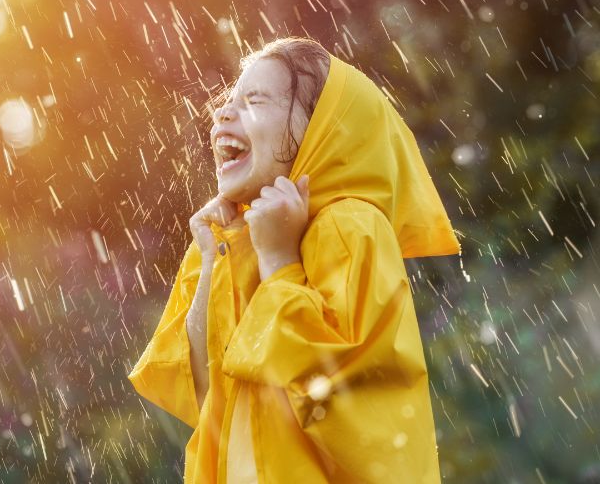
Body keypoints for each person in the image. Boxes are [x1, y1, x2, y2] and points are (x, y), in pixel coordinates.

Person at [127, 36, 461, 483]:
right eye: (230, 101)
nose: (222, 114)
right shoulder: (235, 236)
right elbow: (205, 393)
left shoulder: (348, 226)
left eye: (255, 101)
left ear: (322, 130)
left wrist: (280, 260)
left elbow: (337, 399)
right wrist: (212, 259)